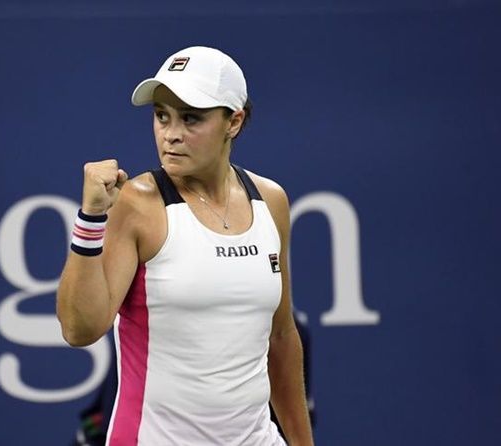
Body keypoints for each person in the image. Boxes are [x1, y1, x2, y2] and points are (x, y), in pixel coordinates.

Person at [57, 46, 314, 446]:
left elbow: (280, 337)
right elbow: (79, 329)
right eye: (162, 116)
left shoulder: (272, 201)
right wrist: (91, 218)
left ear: (235, 121)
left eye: (191, 119)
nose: (171, 134)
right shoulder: (137, 204)